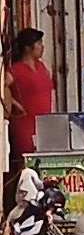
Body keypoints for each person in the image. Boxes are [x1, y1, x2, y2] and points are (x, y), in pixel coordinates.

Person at [6, 27, 52, 165]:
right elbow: (3, 86)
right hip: (25, 124)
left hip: (45, 123)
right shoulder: (16, 70)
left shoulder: (41, 66)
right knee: (27, 163)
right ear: (27, 48)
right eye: (38, 44)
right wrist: (13, 102)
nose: (42, 47)